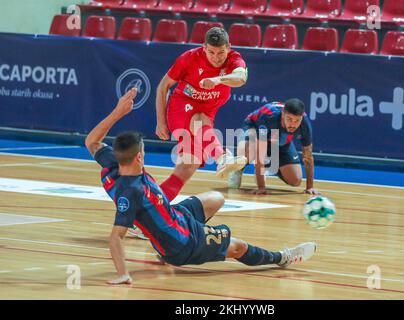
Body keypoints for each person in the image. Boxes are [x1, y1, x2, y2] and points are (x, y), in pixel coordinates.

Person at [85, 88, 317, 285]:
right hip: (181, 243)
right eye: (144, 150)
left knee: (216, 198)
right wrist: (123, 274)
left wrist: (118, 112)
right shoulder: (130, 192)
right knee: (238, 247)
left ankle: (165, 244)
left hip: (175, 215)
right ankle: (282, 257)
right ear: (138, 158)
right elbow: (116, 237)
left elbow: (91, 141)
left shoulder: (113, 165)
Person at [154, 27, 248, 204]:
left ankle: (150, 210)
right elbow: (163, 86)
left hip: (206, 112)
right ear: (204, 47)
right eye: (211, 52)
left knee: (188, 166)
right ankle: (223, 157)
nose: (216, 57)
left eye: (221, 52)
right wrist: (160, 122)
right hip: (181, 108)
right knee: (198, 120)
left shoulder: (235, 59)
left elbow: (241, 78)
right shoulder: (189, 58)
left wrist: (217, 80)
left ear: (228, 47)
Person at [228, 99, 320, 195]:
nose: (293, 124)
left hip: (278, 139)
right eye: (289, 119)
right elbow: (260, 152)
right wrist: (261, 187)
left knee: (295, 180)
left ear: (301, 118)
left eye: (297, 120)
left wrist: (310, 187)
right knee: (248, 153)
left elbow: (308, 156)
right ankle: (238, 169)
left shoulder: (305, 124)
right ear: (283, 114)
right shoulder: (268, 117)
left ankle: (269, 164)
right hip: (254, 128)